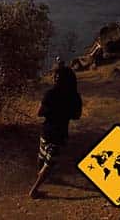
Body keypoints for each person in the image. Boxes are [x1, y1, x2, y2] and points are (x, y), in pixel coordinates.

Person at [29, 58, 82, 199]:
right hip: (60, 133)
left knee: (42, 156)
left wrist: (51, 111)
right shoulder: (74, 96)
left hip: (46, 130)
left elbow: (39, 112)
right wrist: (65, 113)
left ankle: (40, 178)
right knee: (50, 162)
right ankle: (34, 190)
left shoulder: (50, 94)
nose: (54, 78)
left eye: (56, 76)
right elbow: (77, 116)